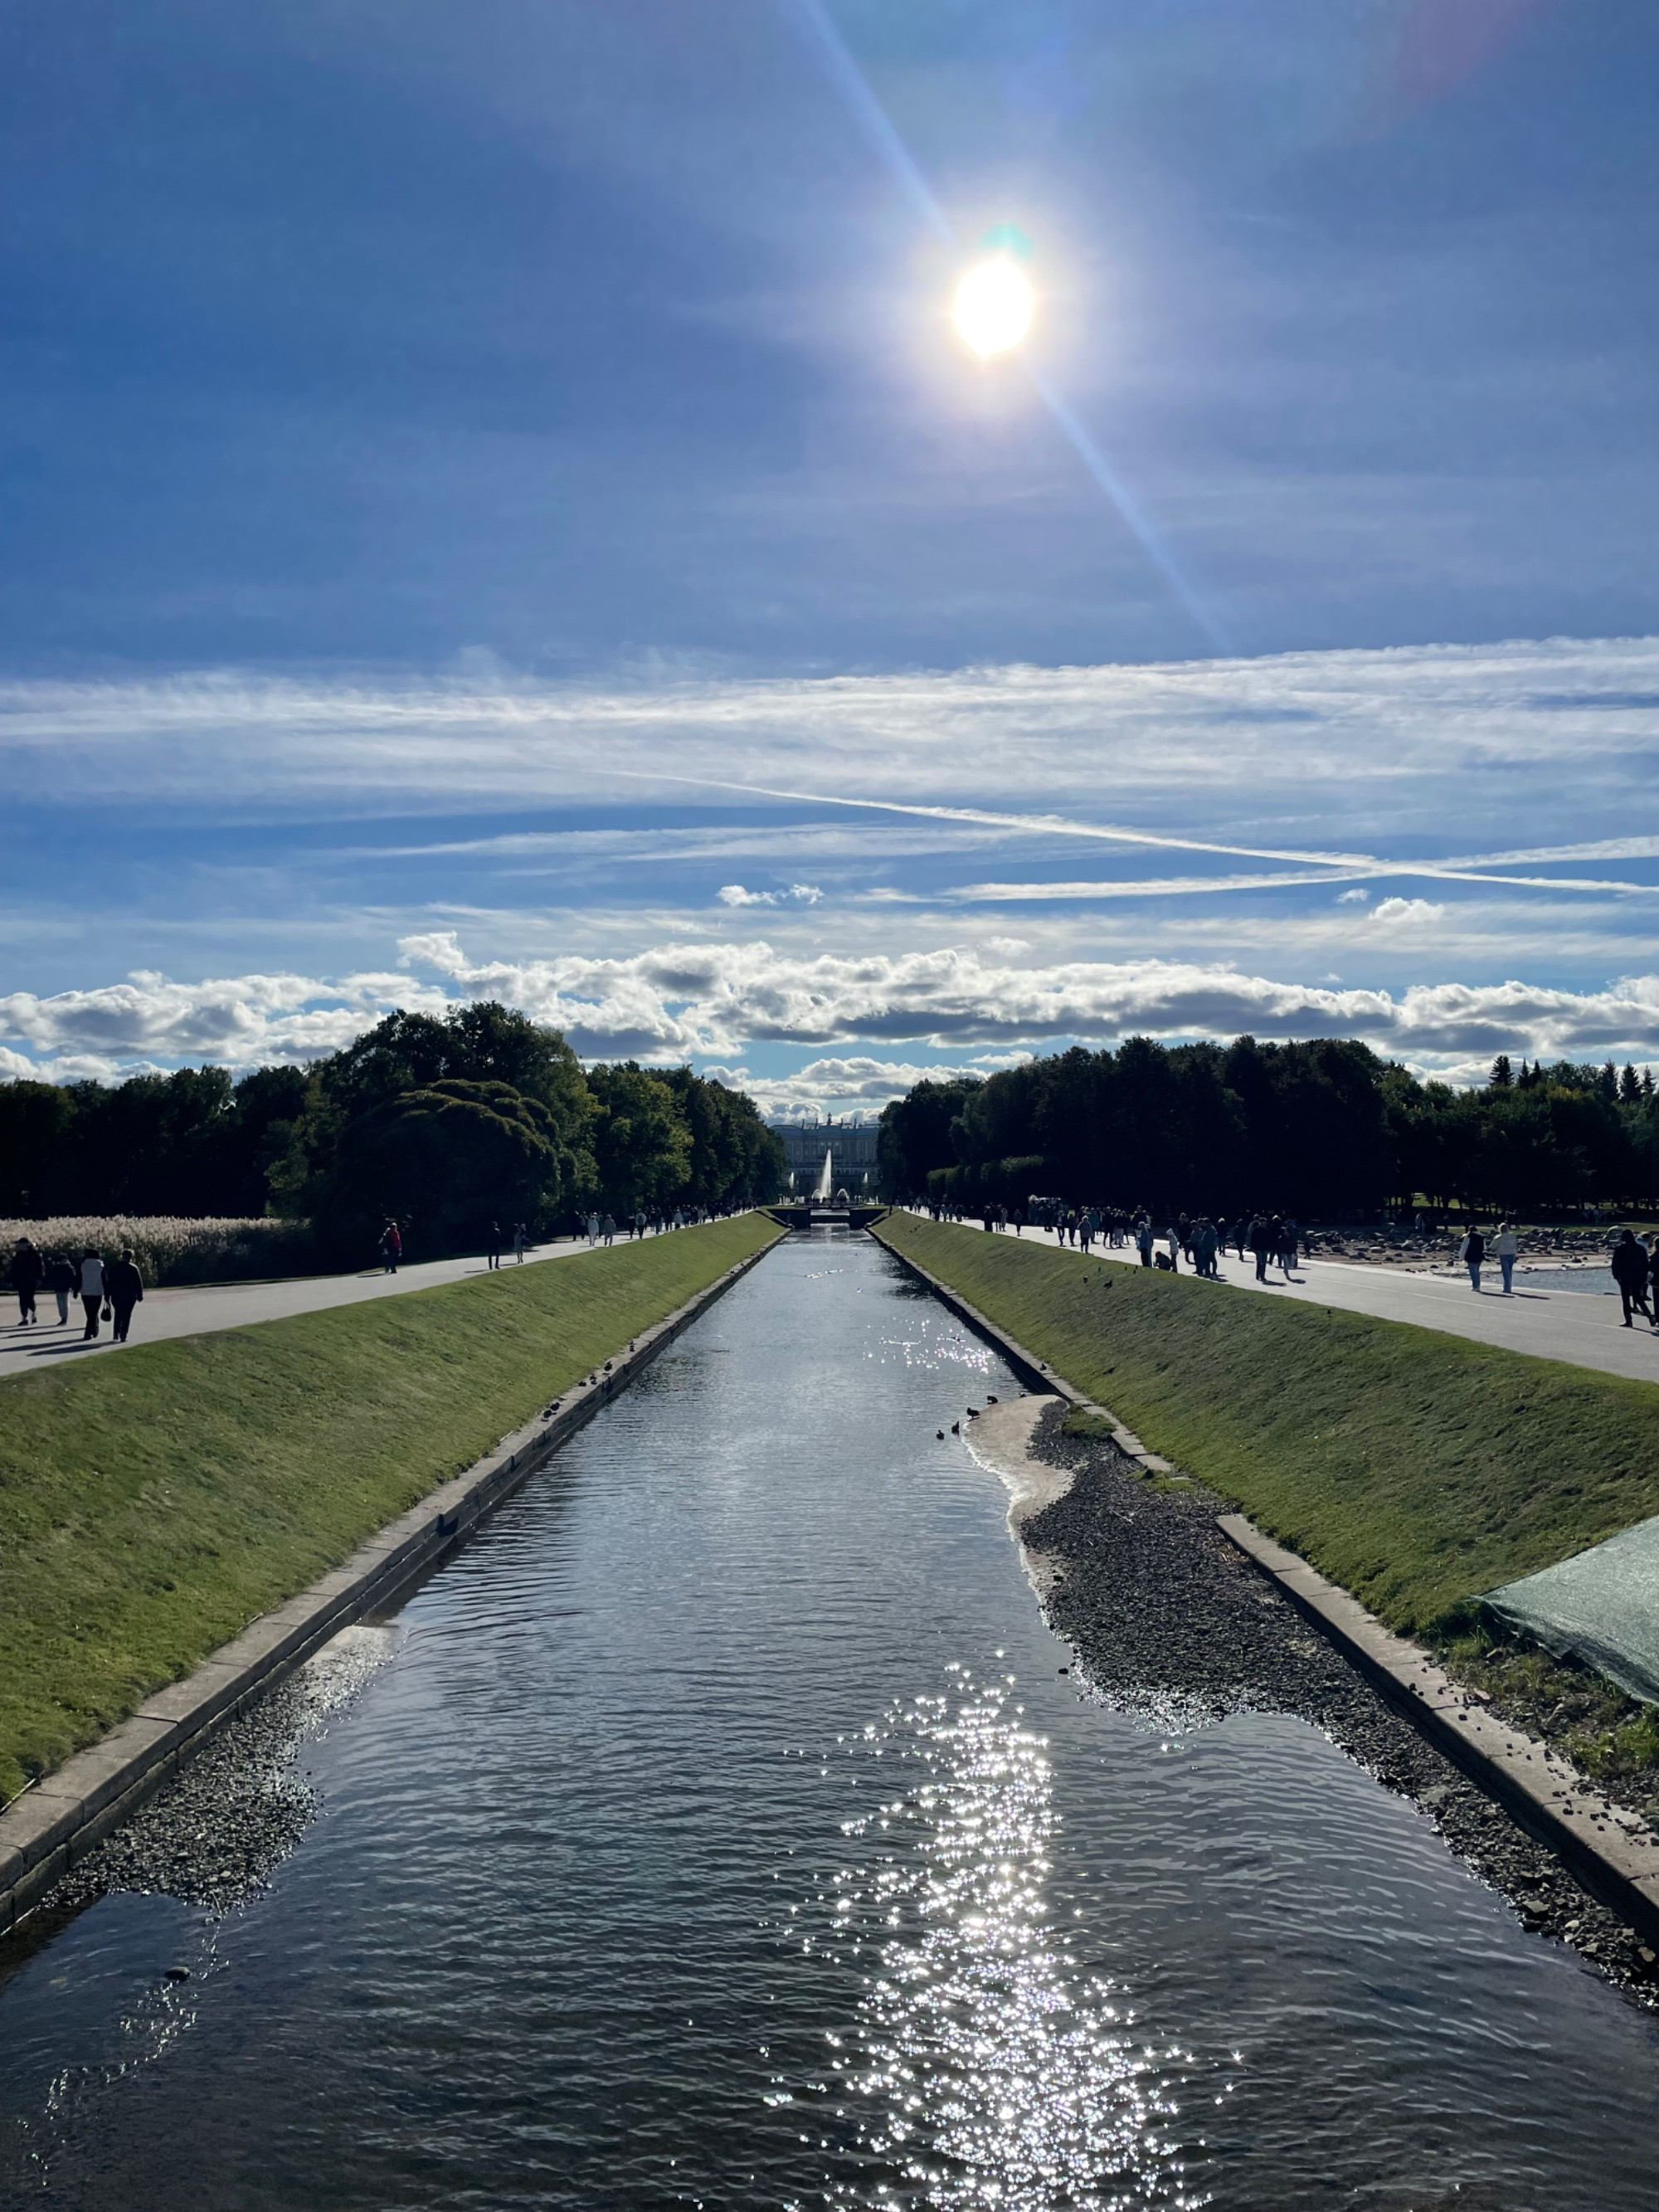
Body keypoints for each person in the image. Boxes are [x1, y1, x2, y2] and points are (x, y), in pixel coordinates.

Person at [1611, 1230, 1652, 1328]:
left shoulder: (1620, 1249)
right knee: (1638, 1297)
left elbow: (1615, 1264)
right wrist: (1644, 1277)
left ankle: (1628, 1320)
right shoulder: (1640, 1249)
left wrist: (1616, 1276)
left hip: (1625, 1277)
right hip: (1638, 1277)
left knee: (1626, 1299)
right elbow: (1646, 1264)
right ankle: (1650, 1316)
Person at [105, 1246, 144, 1342]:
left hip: (117, 1295)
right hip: (130, 1295)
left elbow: (109, 1283)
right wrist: (140, 1295)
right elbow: (139, 1283)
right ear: (131, 1258)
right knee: (127, 1315)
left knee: (118, 1314)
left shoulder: (114, 1268)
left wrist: (107, 1296)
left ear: (122, 1256)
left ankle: (115, 1334)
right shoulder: (134, 1269)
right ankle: (123, 1335)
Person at [10, 1237, 42, 1325]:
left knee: (29, 1298)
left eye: (20, 1244)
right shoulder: (18, 1255)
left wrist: (39, 1278)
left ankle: (33, 1314)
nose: (18, 1246)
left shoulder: (34, 1254)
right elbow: (14, 1269)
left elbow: (40, 1267)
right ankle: (24, 1318)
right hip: (21, 1280)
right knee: (22, 1299)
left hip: (32, 1280)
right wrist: (12, 1279)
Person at [79, 1248, 106, 1339]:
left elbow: (79, 1279)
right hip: (97, 1292)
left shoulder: (83, 1265)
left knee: (89, 1313)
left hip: (85, 1292)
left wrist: (75, 1290)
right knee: (94, 1313)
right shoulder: (101, 1266)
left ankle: (91, 1330)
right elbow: (104, 1280)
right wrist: (107, 1292)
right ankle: (92, 1330)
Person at [45, 1250, 75, 1326]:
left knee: (64, 1303)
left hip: (66, 1288)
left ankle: (64, 1318)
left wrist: (72, 1286)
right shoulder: (57, 1268)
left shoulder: (69, 1268)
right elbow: (51, 1276)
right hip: (58, 1287)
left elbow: (73, 1278)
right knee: (60, 1303)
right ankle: (62, 1317)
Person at [1491, 1220, 1518, 1295]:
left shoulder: (1499, 1237)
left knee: (1505, 1271)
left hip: (1503, 1254)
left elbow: (1493, 1247)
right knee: (1509, 1271)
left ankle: (1507, 1288)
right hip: (1512, 1254)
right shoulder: (1513, 1236)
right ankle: (1509, 1286)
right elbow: (1515, 1245)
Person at [1461, 1223, 1486, 1293]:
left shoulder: (1468, 1237)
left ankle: (1475, 1286)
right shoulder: (1481, 1237)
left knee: (1472, 1272)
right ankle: (1478, 1285)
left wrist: (1462, 1257)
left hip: (1470, 1256)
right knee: (1477, 1272)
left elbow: (1464, 1248)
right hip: (1479, 1256)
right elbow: (1484, 1248)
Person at [1249, 1212, 1272, 1283]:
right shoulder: (1256, 1230)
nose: (1264, 1224)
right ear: (1260, 1223)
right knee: (1259, 1262)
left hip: (1265, 1249)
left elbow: (1269, 1240)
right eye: (1262, 1222)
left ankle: (1262, 1276)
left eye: (1265, 1223)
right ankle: (1258, 1274)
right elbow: (1252, 1239)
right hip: (1258, 1248)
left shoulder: (1267, 1230)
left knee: (1264, 1263)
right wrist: (1253, 1248)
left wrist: (1269, 1248)